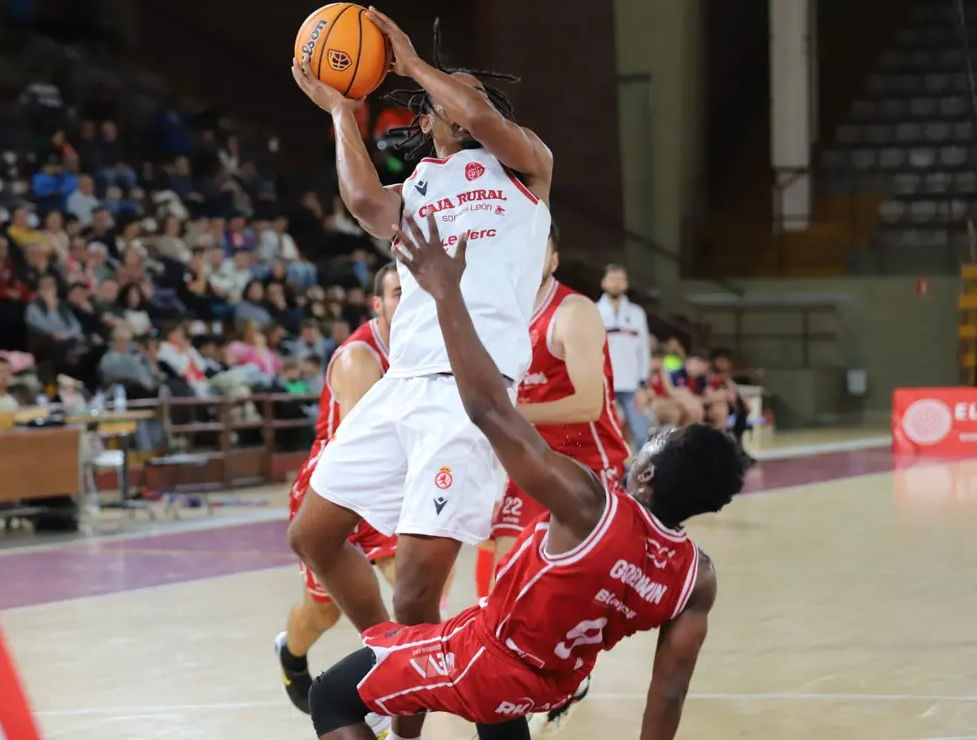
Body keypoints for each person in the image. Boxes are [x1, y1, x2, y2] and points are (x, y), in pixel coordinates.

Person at [307, 211, 745, 740]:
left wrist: (446, 293)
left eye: (651, 443)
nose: (639, 445)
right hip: (553, 680)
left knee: (330, 696)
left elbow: (488, 409)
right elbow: (669, 692)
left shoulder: (590, 504)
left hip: (486, 661)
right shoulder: (696, 576)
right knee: (500, 686)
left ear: (646, 476)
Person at [289, 16, 553, 739]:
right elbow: (364, 203)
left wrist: (408, 62)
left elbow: (472, 112)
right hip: (403, 384)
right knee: (313, 536)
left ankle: (421, 706)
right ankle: (390, 666)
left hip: (468, 391)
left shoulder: (526, 166)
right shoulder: (419, 185)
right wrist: (345, 112)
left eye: (467, 95)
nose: (458, 103)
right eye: (443, 96)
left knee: (414, 590)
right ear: (426, 123)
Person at [480, 227, 630, 736]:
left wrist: (510, 413)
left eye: (536, 244)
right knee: (503, 574)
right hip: (529, 459)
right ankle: (508, 691)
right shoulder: (498, 311)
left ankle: (566, 666)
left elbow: (589, 402)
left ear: (553, 257)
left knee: (567, 588)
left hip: (588, 461)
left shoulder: (573, 313)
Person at [275, 265, 399, 725]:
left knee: (411, 584)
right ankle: (290, 654)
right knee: (323, 612)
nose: (408, 302)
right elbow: (364, 451)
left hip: (387, 481)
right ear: (378, 305)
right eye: (398, 293)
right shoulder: (359, 359)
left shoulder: (426, 344)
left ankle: (387, 692)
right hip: (336, 486)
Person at [597, 264, 651, 451]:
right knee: (609, 434)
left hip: (632, 386)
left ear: (626, 284)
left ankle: (640, 476)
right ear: (603, 282)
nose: (616, 284)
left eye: (621, 280)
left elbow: (643, 350)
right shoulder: (593, 311)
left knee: (642, 434)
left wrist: (643, 384)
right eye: (612, 279)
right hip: (603, 385)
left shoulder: (637, 314)